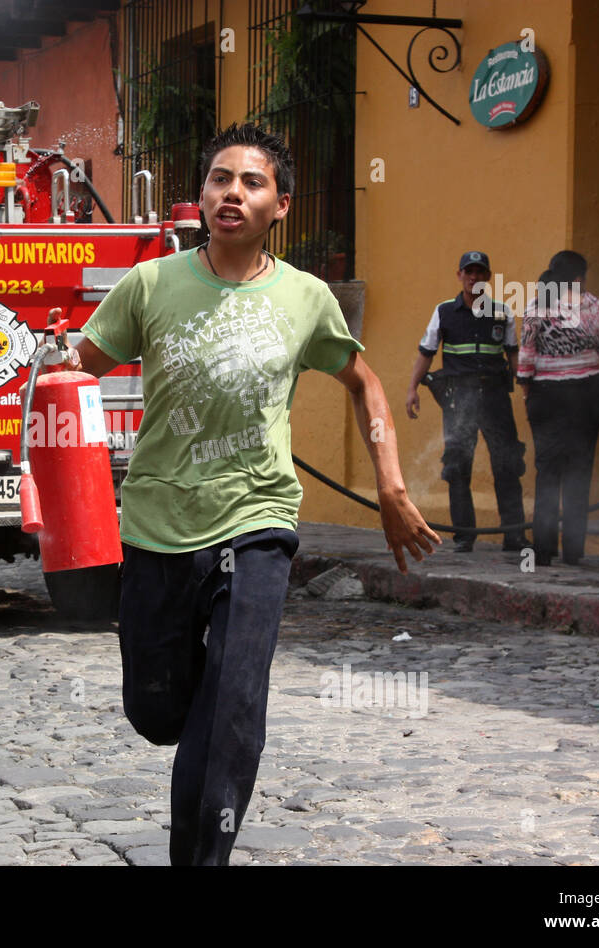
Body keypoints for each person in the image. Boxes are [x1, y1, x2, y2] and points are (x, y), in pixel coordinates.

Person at [62, 123, 439, 866]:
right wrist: (49, 368)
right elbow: (78, 368)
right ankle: (192, 702)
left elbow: (362, 382)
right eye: (219, 179)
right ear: (201, 196)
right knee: (159, 711)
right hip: (157, 525)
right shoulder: (151, 284)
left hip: (258, 523)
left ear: (281, 206)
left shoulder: (305, 298)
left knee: (234, 705)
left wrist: (390, 487)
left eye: (251, 182)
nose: (232, 192)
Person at [405, 251, 530, 553]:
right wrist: (412, 389)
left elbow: (513, 354)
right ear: (459, 275)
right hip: (458, 401)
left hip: (495, 399)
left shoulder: (502, 312)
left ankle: (514, 535)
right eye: (468, 272)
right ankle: (464, 535)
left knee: (507, 464)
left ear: (488, 277)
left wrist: (526, 387)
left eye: (479, 272)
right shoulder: (444, 312)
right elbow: (427, 352)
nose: (474, 277)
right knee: (458, 466)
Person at [518, 251, 599, 566]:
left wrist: (529, 390)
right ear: (577, 279)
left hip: (547, 394)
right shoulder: (594, 306)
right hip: (587, 391)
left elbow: (527, 355)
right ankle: (574, 550)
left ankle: (543, 551)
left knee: (547, 470)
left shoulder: (536, 307)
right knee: (579, 469)